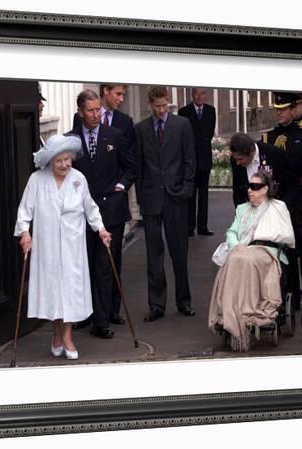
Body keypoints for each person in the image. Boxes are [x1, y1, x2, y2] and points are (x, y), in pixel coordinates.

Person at [13, 133, 112, 360]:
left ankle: (67, 337)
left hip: (72, 245)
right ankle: (56, 334)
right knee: (52, 291)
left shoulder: (79, 179)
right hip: (46, 246)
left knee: (71, 290)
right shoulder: (36, 180)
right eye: (59, 161)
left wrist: (101, 229)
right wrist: (25, 233)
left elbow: (91, 208)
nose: (64, 164)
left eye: (67, 159)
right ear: (49, 161)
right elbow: (24, 209)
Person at [71, 89, 137, 339]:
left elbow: (131, 167)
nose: (96, 114)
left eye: (98, 109)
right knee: (84, 265)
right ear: (80, 112)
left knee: (105, 266)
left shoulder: (114, 135)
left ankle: (104, 318)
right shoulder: (72, 139)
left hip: (111, 211)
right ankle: (86, 313)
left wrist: (121, 187)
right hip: (81, 214)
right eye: (90, 110)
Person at [208, 171, 295, 351]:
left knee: (243, 259)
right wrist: (236, 246)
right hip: (243, 250)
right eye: (249, 186)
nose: (250, 190)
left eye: (255, 187)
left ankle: (243, 311)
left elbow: (286, 235)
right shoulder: (242, 209)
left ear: (266, 189)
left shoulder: (278, 207)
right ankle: (231, 312)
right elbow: (231, 232)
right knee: (236, 257)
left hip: (267, 251)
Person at [134, 86, 196, 321]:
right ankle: (156, 305)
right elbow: (139, 165)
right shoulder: (140, 129)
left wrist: (186, 190)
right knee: (154, 256)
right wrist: (140, 197)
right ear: (150, 104)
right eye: (157, 106)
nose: (162, 110)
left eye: (164, 105)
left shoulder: (182, 125)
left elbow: (190, 159)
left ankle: (184, 301)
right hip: (151, 199)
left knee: (179, 253)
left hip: (176, 197)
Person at [262, 91, 302, 298]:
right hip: (280, 198)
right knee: (286, 250)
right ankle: (290, 296)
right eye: (277, 110)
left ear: (294, 108)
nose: (279, 114)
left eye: (283, 109)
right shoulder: (270, 137)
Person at [178, 87, 216, 236]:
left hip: (205, 159)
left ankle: (203, 227)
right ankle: (190, 227)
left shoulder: (210, 111)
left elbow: (210, 132)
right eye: (196, 94)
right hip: (190, 160)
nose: (199, 97)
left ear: (205, 95)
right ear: (192, 95)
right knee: (191, 195)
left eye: (202, 94)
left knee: (204, 195)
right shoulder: (184, 112)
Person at [229, 132, 295, 206]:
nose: (237, 163)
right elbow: (238, 189)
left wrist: (284, 206)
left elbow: (292, 183)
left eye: (240, 159)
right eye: (236, 159)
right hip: (251, 209)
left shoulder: (273, 154)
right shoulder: (235, 160)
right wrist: (240, 211)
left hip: (275, 207)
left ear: (251, 152)